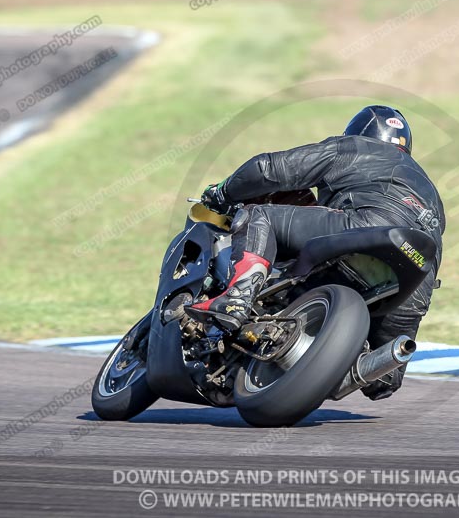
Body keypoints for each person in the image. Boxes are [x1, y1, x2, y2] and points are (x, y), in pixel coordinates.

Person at [184, 105, 445, 400]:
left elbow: (268, 169)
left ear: (357, 133)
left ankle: (237, 297)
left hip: (365, 226)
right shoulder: (429, 189)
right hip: (416, 275)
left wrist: (222, 192)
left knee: (260, 216)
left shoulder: (355, 147)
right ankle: (379, 368)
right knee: (383, 381)